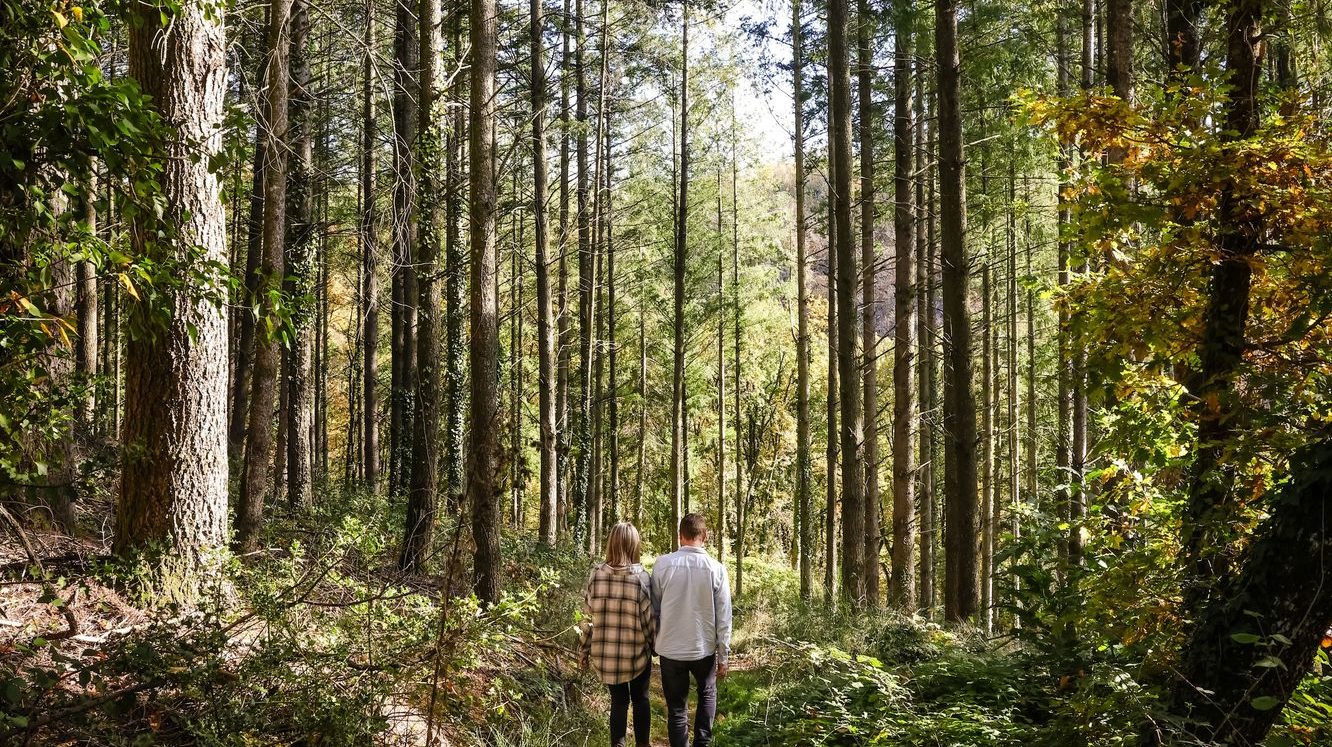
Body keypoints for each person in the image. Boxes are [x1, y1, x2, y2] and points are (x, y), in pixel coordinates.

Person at [652, 512, 733, 747]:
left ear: (680, 536)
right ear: (704, 536)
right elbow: (724, 617)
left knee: (677, 709)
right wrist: (723, 655)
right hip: (703, 648)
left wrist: (656, 639)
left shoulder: (662, 564)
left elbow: (655, 607)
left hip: (671, 648)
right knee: (707, 693)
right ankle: (702, 743)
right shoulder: (716, 569)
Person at [579, 521, 656, 747]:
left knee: (619, 701)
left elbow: (586, 619)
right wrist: (655, 645)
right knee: (641, 699)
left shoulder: (596, 576)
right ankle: (643, 744)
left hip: (607, 657)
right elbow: (649, 619)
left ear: (611, 544)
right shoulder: (641, 578)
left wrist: (583, 648)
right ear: (634, 546)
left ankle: (618, 744)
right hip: (636, 655)